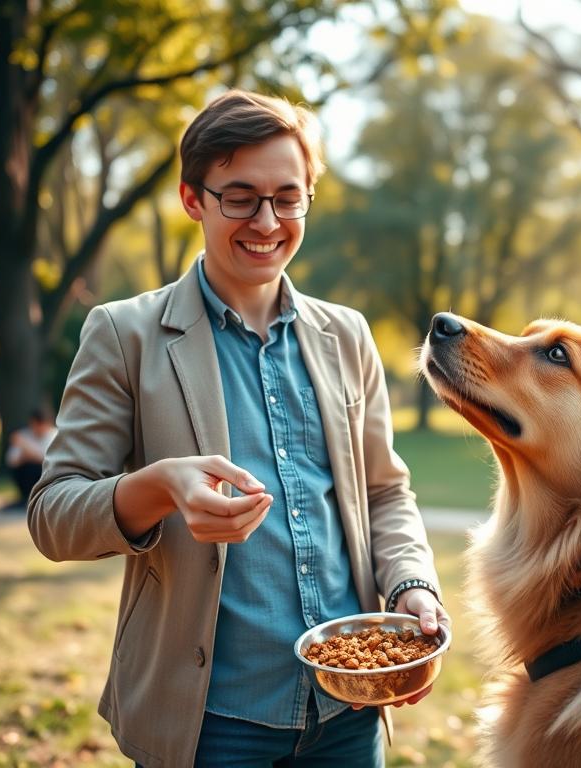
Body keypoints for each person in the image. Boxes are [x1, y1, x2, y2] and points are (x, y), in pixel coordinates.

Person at [28, 90, 449, 768]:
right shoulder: (124, 334)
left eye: (287, 198)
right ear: (192, 199)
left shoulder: (348, 335)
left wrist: (411, 588)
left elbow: (384, 492)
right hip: (210, 726)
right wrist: (160, 487)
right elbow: (53, 516)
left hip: (348, 713)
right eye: (241, 198)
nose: (267, 221)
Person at [5, 409, 57, 508]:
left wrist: (27, 451)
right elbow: (12, 460)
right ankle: (25, 497)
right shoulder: (24, 435)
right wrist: (31, 457)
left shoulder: (54, 435)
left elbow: (47, 460)